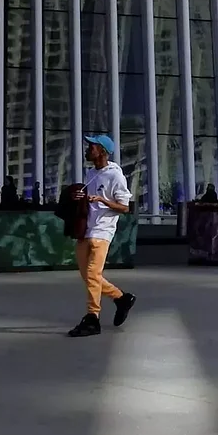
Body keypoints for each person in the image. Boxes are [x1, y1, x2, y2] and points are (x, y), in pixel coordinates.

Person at [68, 135, 137, 338]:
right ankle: (121, 298)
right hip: (86, 230)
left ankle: (92, 318)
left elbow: (124, 207)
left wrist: (102, 199)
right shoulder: (91, 173)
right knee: (89, 276)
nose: (88, 149)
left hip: (103, 231)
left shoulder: (115, 176)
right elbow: (87, 201)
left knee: (92, 274)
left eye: (92, 147)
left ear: (103, 152)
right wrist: (79, 197)